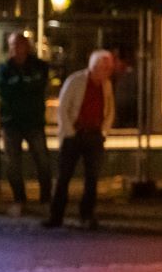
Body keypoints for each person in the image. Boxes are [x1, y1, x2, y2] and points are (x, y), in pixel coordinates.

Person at [44, 50, 116, 229]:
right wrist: (69, 131)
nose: (106, 72)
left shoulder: (106, 85)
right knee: (64, 177)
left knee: (92, 178)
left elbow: (109, 108)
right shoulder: (76, 81)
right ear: (94, 67)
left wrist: (103, 130)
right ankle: (56, 215)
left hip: (94, 135)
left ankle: (86, 215)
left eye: (108, 69)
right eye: (104, 68)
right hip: (75, 134)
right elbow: (64, 107)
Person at [0, 32, 51, 217]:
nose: (16, 48)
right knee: (13, 164)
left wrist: (20, 86)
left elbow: (39, 89)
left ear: (27, 46)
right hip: (11, 123)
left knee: (42, 161)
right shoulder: (4, 68)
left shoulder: (40, 66)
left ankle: (46, 200)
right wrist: (25, 86)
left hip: (34, 122)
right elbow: (6, 93)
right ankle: (19, 199)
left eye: (19, 44)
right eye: (12, 44)